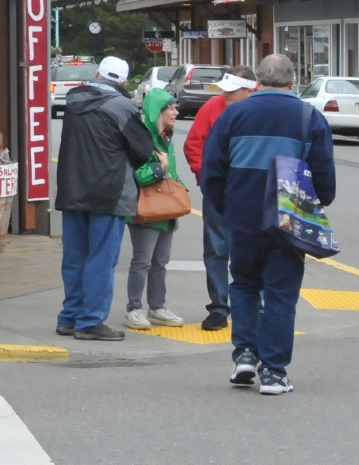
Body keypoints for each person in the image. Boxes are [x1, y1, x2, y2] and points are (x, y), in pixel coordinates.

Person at [203, 54, 335, 395]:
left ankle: (244, 356)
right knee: (280, 294)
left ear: (258, 81)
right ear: (293, 81)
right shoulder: (310, 118)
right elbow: (325, 181)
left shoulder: (233, 114)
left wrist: (226, 207)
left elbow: (212, 171)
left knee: (244, 284)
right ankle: (274, 373)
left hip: (243, 217)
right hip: (288, 221)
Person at [52, 54, 153, 339]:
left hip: (73, 189)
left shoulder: (73, 99)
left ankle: (69, 317)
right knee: (100, 259)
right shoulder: (122, 107)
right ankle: (90, 321)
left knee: (75, 257)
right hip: (109, 192)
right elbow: (143, 150)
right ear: (122, 81)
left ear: (97, 73)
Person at [183, 68, 256, 330]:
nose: (225, 95)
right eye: (224, 89)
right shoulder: (213, 106)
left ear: (250, 90)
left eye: (232, 91)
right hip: (219, 190)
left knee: (252, 249)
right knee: (216, 249)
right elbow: (193, 143)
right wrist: (207, 177)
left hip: (252, 191)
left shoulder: (261, 109)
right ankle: (218, 307)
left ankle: (251, 304)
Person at [124, 89, 188, 329]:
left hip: (166, 209)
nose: (176, 112)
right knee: (142, 261)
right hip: (147, 209)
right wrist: (160, 169)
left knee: (160, 261)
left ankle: (157, 306)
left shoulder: (166, 136)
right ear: (157, 112)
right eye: (171, 108)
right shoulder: (143, 137)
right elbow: (136, 175)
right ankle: (134, 308)